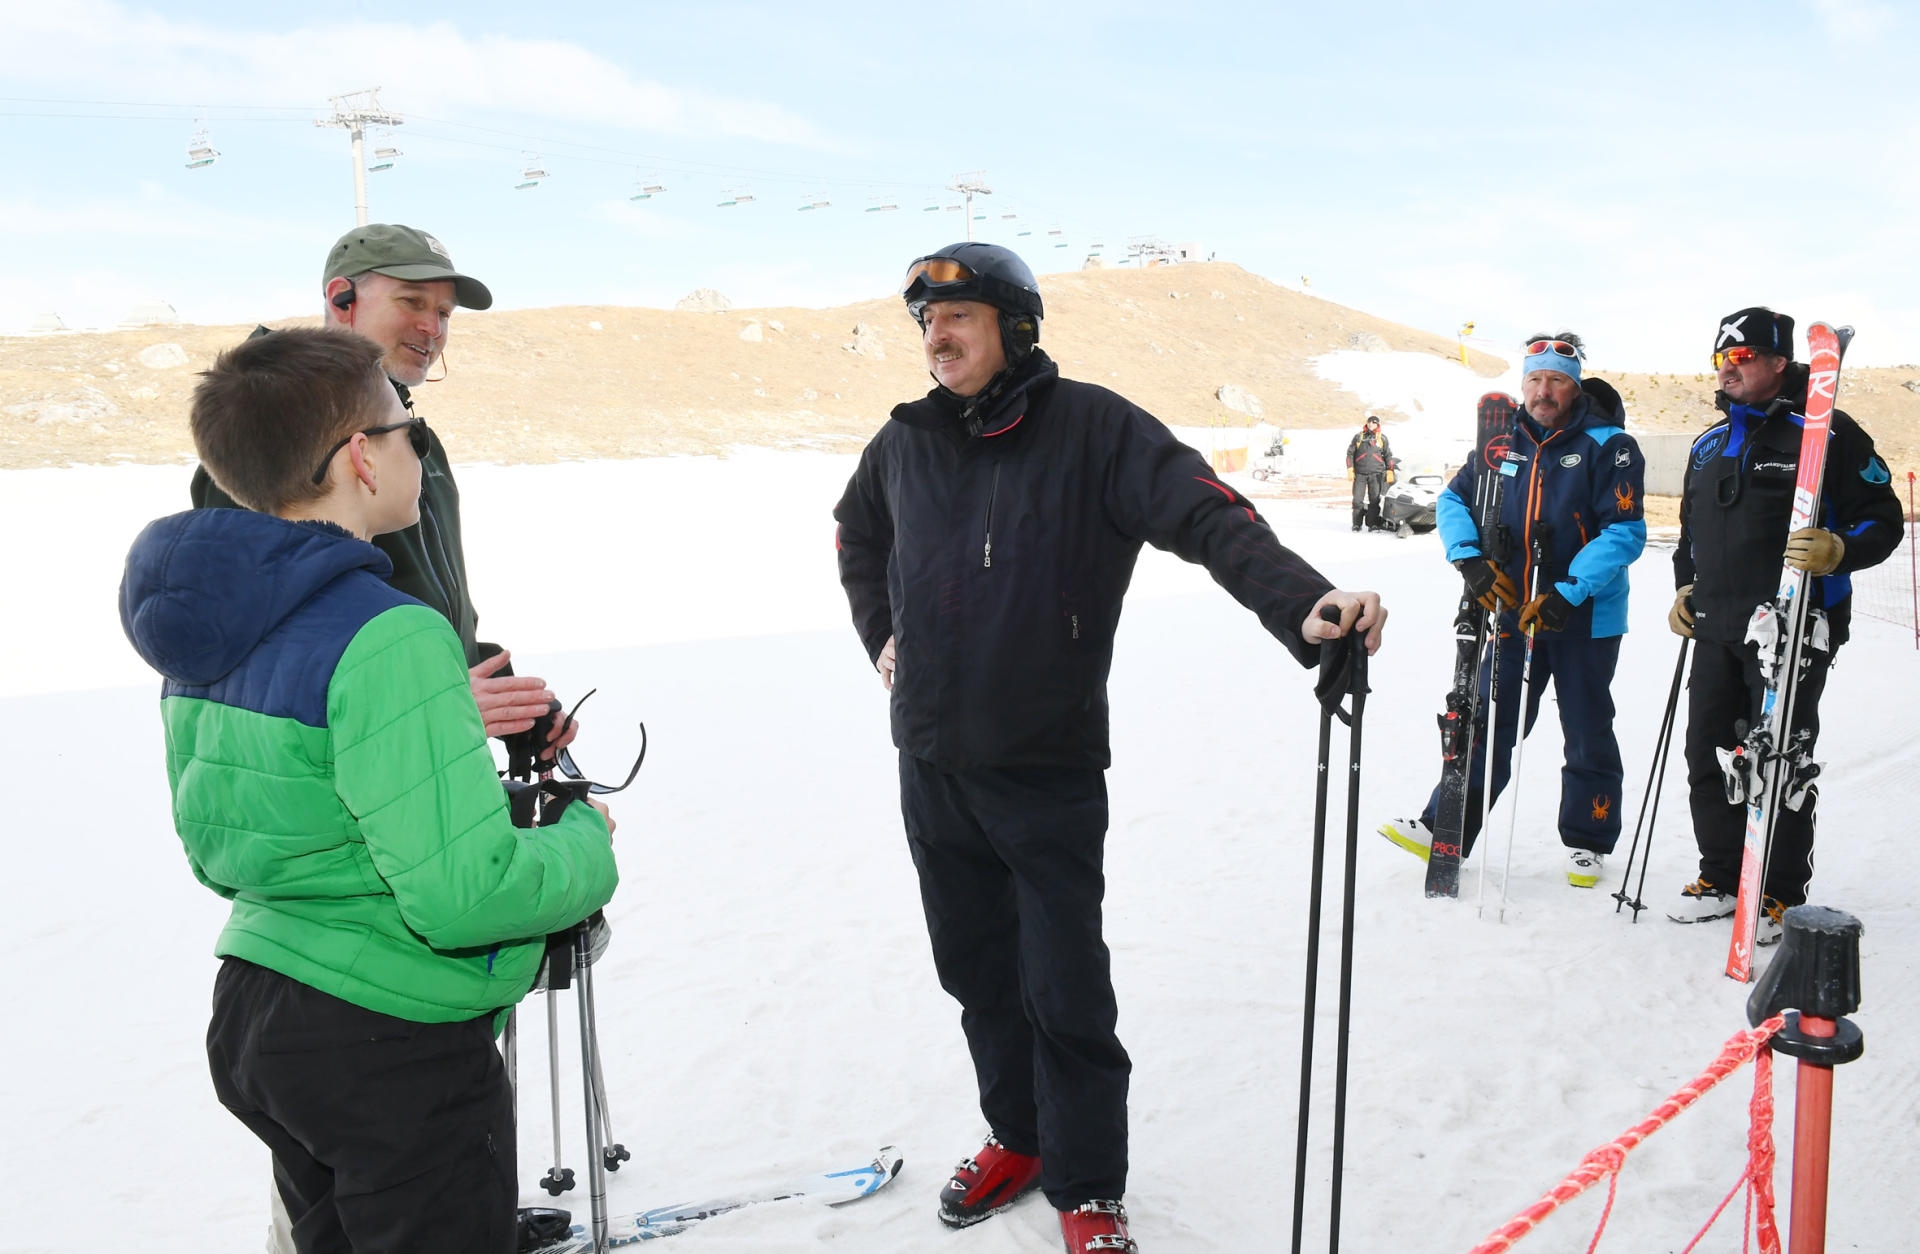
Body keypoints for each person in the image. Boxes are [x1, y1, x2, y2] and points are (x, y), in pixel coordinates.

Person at [832, 242, 1385, 1254]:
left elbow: (1212, 519)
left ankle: (1087, 1184)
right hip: (930, 760)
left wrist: (1305, 601)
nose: (935, 336)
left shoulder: (1093, 430)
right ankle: (1021, 1136)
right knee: (977, 972)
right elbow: (855, 533)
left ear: (1014, 324)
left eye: (956, 317)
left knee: (1063, 986)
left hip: (1044, 765)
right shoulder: (904, 440)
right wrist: (881, 633)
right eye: (923, 321)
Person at [119, 328, 620, 1254]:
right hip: (391, 1047)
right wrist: (584, 840)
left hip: (259, 1014)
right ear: (359, 455)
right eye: (408, 432)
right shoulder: (389, 634)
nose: (415, 452)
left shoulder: (212, 630)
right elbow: (464, 896)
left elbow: (221, 846)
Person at [190, 223, 573, 757]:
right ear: (341, 299)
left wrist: (497, 691)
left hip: (430, 734)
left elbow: (418, 593)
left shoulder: (413, 442)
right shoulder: (272, 432)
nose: (432, 327)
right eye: (412, 300)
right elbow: (264, 651)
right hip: (365, 756)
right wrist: (432, 702)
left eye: (443, 313)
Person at [1666, 307, 1903, 937]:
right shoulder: (1707, 444)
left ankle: (1778, 890)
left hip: (1794, 628)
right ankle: (1721, 875)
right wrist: (1685, 588)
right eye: (1722, 359)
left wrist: (1840, 549)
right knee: (1709, 754)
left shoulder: (1826, 431)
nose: (1730, 369)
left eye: (1743, 358)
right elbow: (1689, 536)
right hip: (1717, 627)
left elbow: (1883, 516)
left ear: (1778, 362)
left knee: (1782, 758)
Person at [1377, 333, 1646, 888]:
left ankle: (1588, 843)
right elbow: (1454, 500)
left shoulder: (1611, 445)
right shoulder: (1501, 442)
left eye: (1557, 381)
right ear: (1523, 384)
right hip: (1512, 614)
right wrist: (1469, 560)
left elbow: (1624, 532)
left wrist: (1569, 591)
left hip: (1583, 617)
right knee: (1488, 722)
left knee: (1587, 727)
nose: (1544, 390)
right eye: (1535, 379)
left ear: (1575, 387)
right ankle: (1444, 824)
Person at [1345, 414, 1395, 531]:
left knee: (1374, 500)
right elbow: (1350, 454)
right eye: (1369, 422)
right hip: (1360, 474)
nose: (1371, 424)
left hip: (1376, 474)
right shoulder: (1359, 437)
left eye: (1374, 422)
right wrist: (1350, 469)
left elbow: (1388, 455)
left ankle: (1372, 524)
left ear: (1378, 424)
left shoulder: (1382, 438)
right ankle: (1356, 524)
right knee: (1357, 500)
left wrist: (1390, 471)